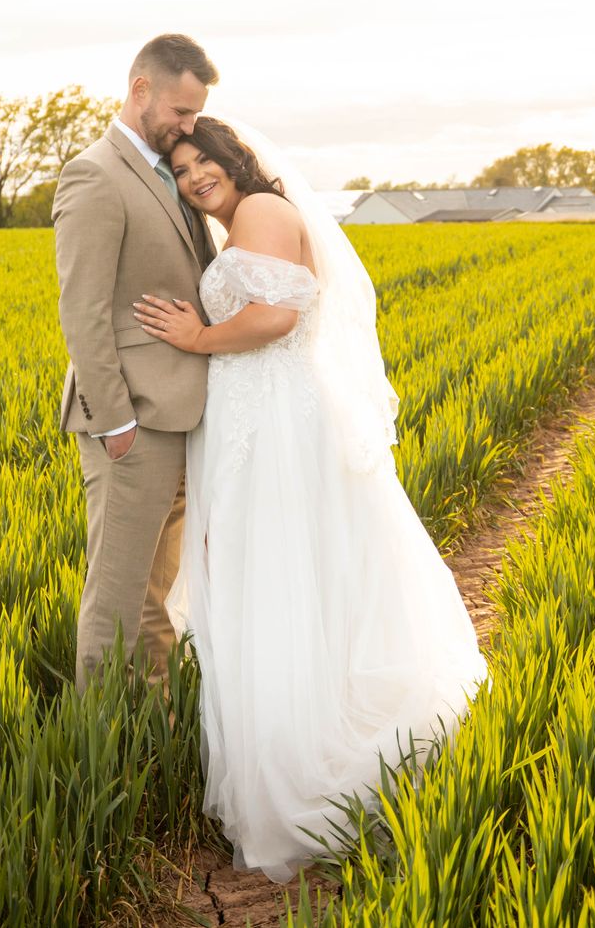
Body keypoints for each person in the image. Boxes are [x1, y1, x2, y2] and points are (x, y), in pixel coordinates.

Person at [131, 116, 488, 882]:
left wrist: (195, 339)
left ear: (235, 159)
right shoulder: (240, 222)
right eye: (182, 168)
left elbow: (277, 317)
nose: (196, 176)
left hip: (278, 425)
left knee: (274, 577)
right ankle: (288, 742)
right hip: (258, 418)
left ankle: (303, 765)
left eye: (205, 161)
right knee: (280, 576)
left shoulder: (261, 208)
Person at [51, 33, 219, 688]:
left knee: (156, 592)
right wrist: (112, 419)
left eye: (196, 113)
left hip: (179, 417)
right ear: (140, 88)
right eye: (181, 110)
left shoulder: (170, 172)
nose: (189, 124)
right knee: (117, 595)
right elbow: (83, 309)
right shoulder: (95, 173)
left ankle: (153, 721)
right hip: (131, 425)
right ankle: (98, 742)